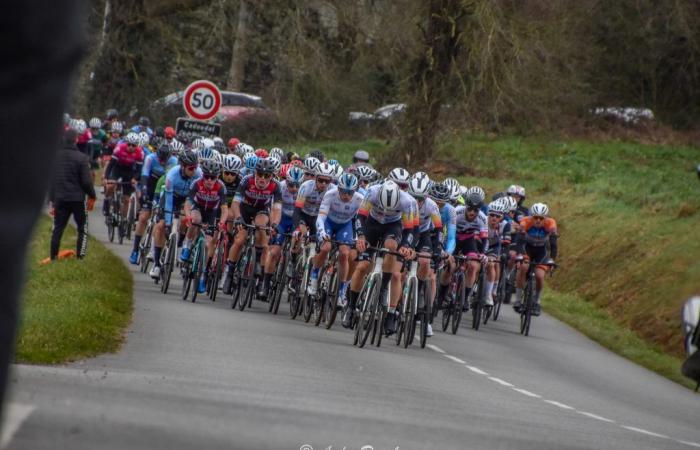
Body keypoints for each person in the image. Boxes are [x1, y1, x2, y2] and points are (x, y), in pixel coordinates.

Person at [48, 129, 97, 260]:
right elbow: (86, 182)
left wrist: (52, 199)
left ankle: (53, 257)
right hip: (78, 199)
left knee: (58, 228)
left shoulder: (56, 157)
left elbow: (51, 180)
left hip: (61, 198)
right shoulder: (82, 158)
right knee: (82, 228)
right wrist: (92, 195)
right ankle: (80, 257)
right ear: (76, 140)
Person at [513, 202, 558, 316]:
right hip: (526, 248)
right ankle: (518, 299)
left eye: (541, 218)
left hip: (541, 251)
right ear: (531, 217)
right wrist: (519, 255)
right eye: (535, 217)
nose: (538, 220)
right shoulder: (525, 222)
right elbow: (519, 241)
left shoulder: (551, 224)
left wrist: (552, 259)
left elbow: (553, 244)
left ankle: (537, 301)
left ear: (545, 218)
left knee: (539, 275)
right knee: (523, 267)